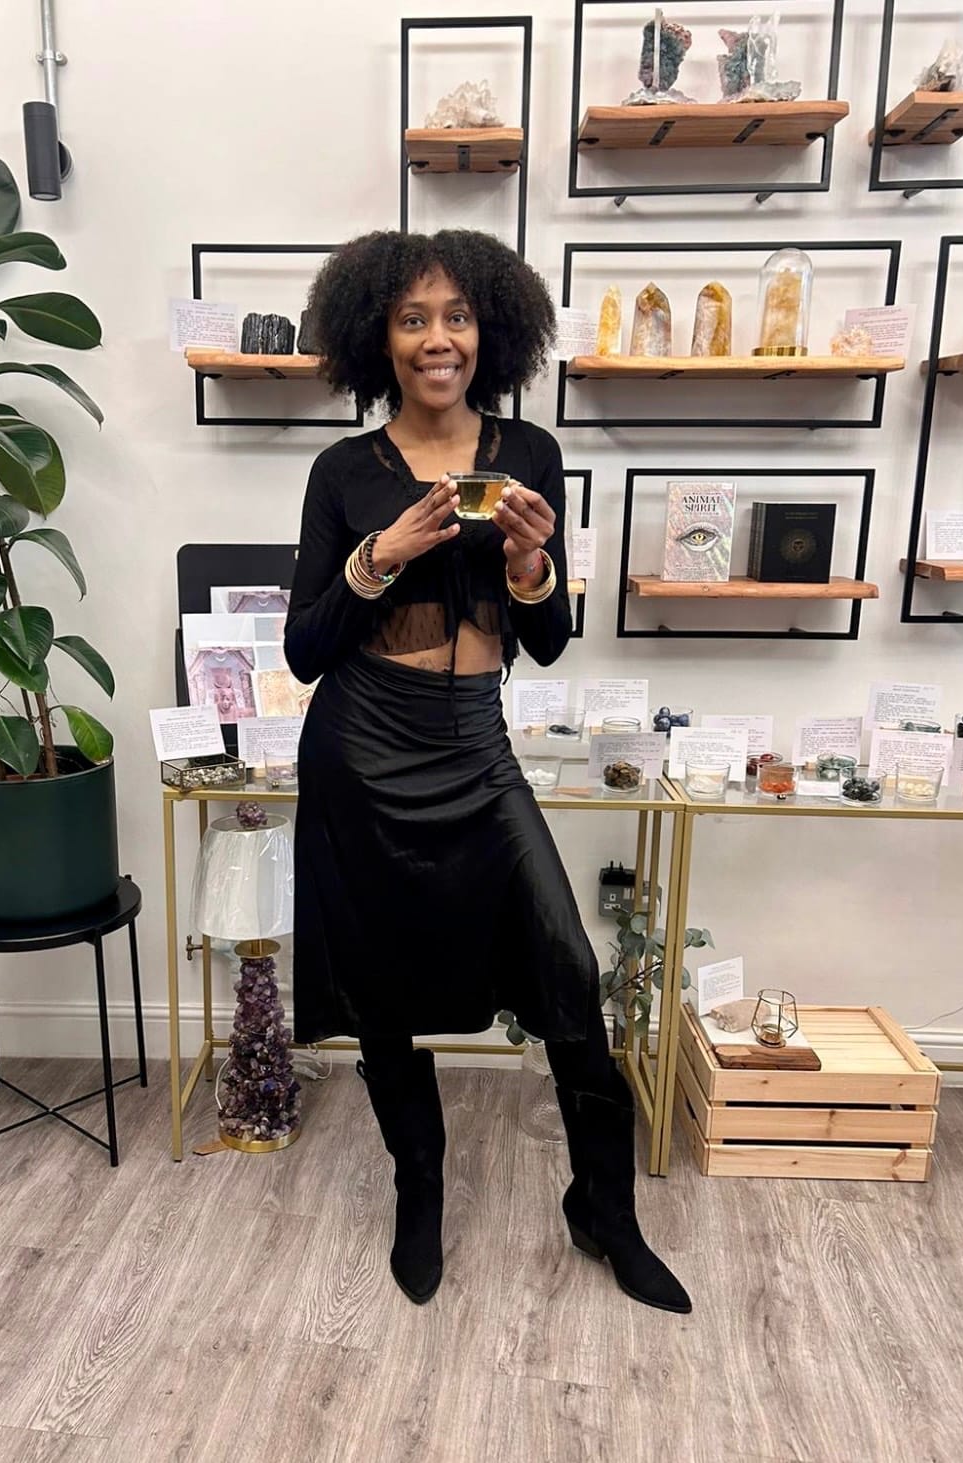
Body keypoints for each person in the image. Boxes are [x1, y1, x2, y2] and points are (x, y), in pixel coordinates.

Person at [283, 230, 690, 1315]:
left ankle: (605, 1211)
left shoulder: (530, 454)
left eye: (456, 316)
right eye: (412, 318)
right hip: (362, 748)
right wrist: (382, 555)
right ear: (378, 336)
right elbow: (304, 649)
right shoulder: (343, 473)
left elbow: (547, 641)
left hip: (474, 739)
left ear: (489, 331)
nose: (437, 339)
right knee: (385, 992)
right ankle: (419, 1190)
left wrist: (528, 563)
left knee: (568, 973)